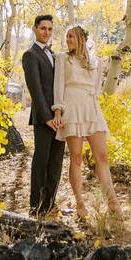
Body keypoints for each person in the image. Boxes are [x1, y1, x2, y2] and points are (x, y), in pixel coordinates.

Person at [50, 25, 122, 220]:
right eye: (67, 37)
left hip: (91, 108)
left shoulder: (96, 62)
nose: (68, 40)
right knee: (77, 158)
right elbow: (58, 86)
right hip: (72, 109)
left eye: (71, 36)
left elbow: (97, 89)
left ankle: (113, 202)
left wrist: (94, 106)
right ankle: (79, 202)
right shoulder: (62, 58)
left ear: (82, 38)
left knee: (102, 157)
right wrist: (58, 111)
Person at [21, 14, 63, 215]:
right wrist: (47, 117)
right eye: (43, 28)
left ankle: (50, 203)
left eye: (49, 29)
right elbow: (35, 89)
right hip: (43, 119)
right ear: (35, 29)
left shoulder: (55, 55)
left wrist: (59, 114)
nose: (46, 32)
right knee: (41, 160)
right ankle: (36, 206)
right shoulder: (30, 55)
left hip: (59, 118)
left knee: (56, 162)